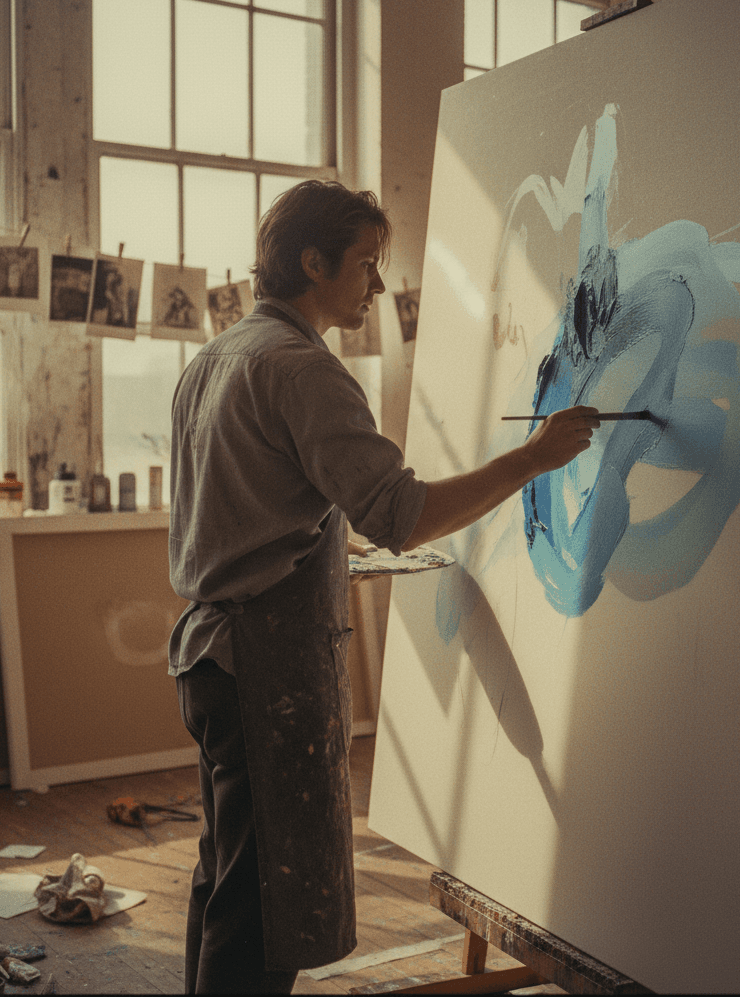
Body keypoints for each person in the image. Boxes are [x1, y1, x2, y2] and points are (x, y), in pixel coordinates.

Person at [168, 179, 600, 995]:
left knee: (227, 884)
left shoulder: (216, 358)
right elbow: (404, 516)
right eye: (365, 263)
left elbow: (252, 509)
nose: (375, 282)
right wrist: (535, 458)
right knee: (265, 909)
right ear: (313, 262)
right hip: (261, 669)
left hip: (207, 658)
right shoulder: (303, 369)